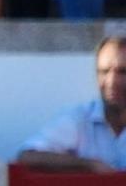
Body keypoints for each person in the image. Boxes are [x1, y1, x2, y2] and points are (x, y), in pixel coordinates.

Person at [16, 36, 126, 171]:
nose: (111, 82)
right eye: (103, 72)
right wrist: (88, 165)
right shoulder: (80, 118)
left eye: (122, 72)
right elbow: (27, 156)